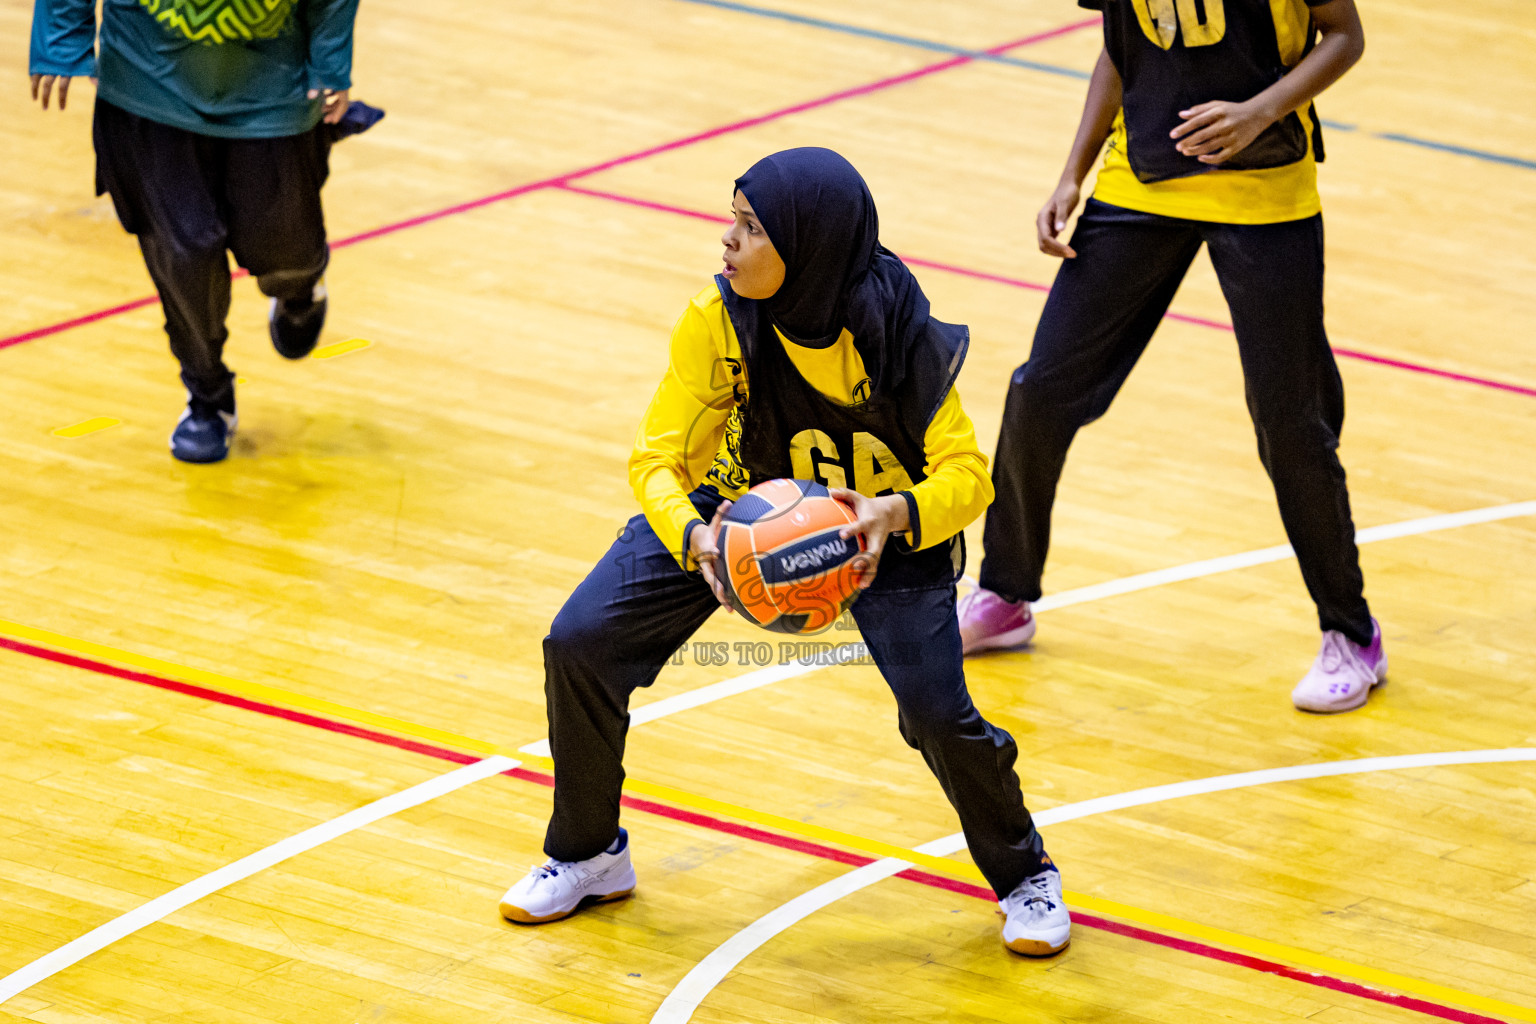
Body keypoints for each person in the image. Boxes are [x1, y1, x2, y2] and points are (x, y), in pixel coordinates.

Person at [499, 148, 1072, 957]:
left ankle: (1024, 874)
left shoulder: (896, 329)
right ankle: (588, 852)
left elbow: (969, 476)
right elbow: (653, 458)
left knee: (940, 716)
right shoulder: (716, 317)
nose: (727, 242)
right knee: (582, 641)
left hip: (879, 531)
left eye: (751, 227)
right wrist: (694, 535)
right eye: (731, 219)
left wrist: (894, 512)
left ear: (809, 249)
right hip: (734, 511)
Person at [959, 0, 1387, 713]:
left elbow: (1346, 36)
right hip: (1142, 181)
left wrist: (1259, 111)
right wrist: (1074, 172)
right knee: (1041, 389)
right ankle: (1004, 594)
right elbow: (1120, 54)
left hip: (1264, 193)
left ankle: (1352, 633)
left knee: (1290, 424)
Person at [29, 0, 371, 463]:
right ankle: (208, 395)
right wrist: (62, 37)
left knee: (285, 247)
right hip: (146, 83)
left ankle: (298, 288)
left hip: (272, 85)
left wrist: (330, 60)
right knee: (183, 254)